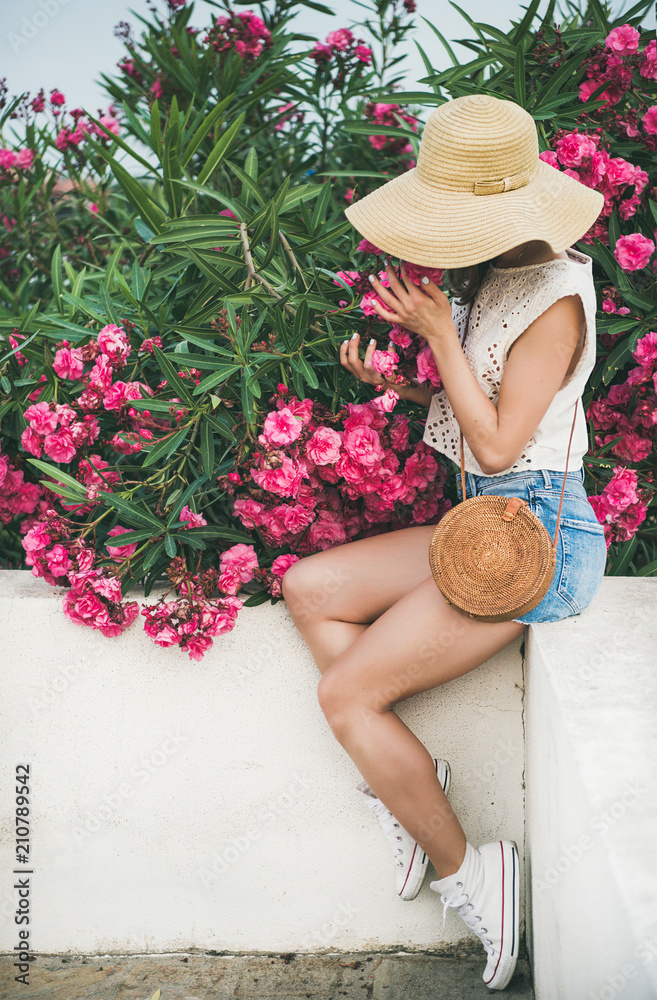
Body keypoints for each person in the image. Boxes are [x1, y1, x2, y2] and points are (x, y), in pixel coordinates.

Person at [281, 94, 607, 991]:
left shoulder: (554, 298)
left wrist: (435, 337)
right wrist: (401, 383)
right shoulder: (495, 275)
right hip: (480, 523)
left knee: (347, 699)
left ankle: (473, 869)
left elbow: (504, 447)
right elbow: (485, 417)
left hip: (534, 536)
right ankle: (407, 783)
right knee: (307, 587)